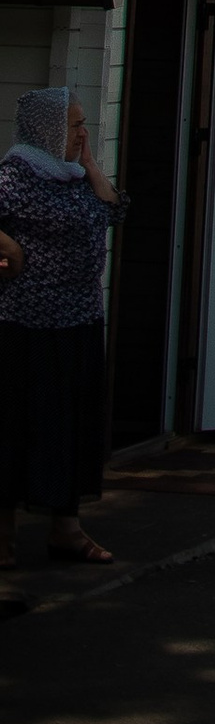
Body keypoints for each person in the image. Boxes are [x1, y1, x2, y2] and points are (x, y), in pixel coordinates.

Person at [0, 87, 125, 583]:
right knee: (18, 426)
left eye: (82, 124)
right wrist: (9, 246)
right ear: (46, 128)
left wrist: (90, 163)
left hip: (79, 322)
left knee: (73, 425)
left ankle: (66, 530)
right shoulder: (15, 174)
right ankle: (2, 536)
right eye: (73, 125)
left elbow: (114, 210)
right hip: (25, 327)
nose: (81, 133)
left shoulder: (74, 176)